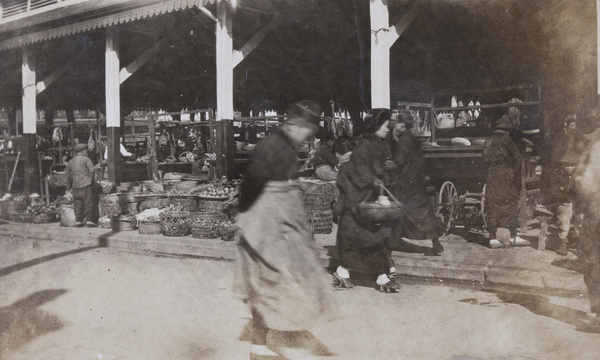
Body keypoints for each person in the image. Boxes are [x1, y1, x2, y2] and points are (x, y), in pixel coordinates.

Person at [236, 100, 334, 360]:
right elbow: (253, 186)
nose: (307, 137)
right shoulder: (271, 147)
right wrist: (249, 223)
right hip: (263, 223)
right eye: (305, 131)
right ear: (293, 124)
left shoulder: (286, 148)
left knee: (272, 282)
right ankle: (259, 347)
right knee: (267, 282)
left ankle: (261, 343)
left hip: (274, 222)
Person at [333, 108, 400, 292]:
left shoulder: (378, 143)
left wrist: (387, 170)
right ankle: (374, 276)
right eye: (386, 125)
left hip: (369, 196)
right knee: (368, 237)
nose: (388, 128)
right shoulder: (365, 144)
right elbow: (360, 169)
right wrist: (374, 178)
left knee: (373, 237)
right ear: (376, 126)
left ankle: (377, 275)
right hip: (358, 196)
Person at [389, 110, 444, 256]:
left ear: (402, 124)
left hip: (406, 182)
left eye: (397, 123)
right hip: (417, 181)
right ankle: (435, 241)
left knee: (401, 210)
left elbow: (399, 161)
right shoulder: (414, 139)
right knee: (424, 211)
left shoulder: (404, 141)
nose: (395, 126)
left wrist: (387, 164)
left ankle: (391, 239)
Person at [482, 116, 530, 248]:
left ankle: (493, 239)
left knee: (492, 204)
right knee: (511, 201)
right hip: (506, 174)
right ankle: (514, 237)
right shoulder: (507, 140)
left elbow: (484, 160)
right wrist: (512, 171)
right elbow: (517, 157)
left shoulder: (487, 141)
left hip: (492, 175)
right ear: (506, 130)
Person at [572, 110, 600, 331]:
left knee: (593, 262)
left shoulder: (595, 148)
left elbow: (587, 182)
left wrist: (577, 181)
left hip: (596, 211)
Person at [65, 143, 97, 228]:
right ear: (82, 151)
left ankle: (78, 221)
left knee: (77, 204)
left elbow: (68, 175)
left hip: (75, 185)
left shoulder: (71, 161)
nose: (87, 151)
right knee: (88, 202)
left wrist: (68, 188)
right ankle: (89, 221)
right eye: (86, 150)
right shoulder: (86, 159)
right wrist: (91, 180)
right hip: (85, 184)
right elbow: (92, 170)